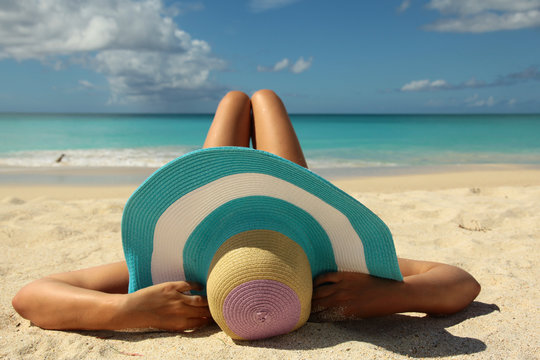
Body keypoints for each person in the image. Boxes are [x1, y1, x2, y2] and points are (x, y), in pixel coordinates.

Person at [12, 90, 481, 332]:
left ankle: (240, 101)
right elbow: (461, 281)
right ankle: (259, 100)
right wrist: (395, 297)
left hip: (211, 223)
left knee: (234, 105)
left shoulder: (182, 272)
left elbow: (32, 297)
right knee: (264, 101)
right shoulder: (328, 269)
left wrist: (130, 310)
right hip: (296, 219)